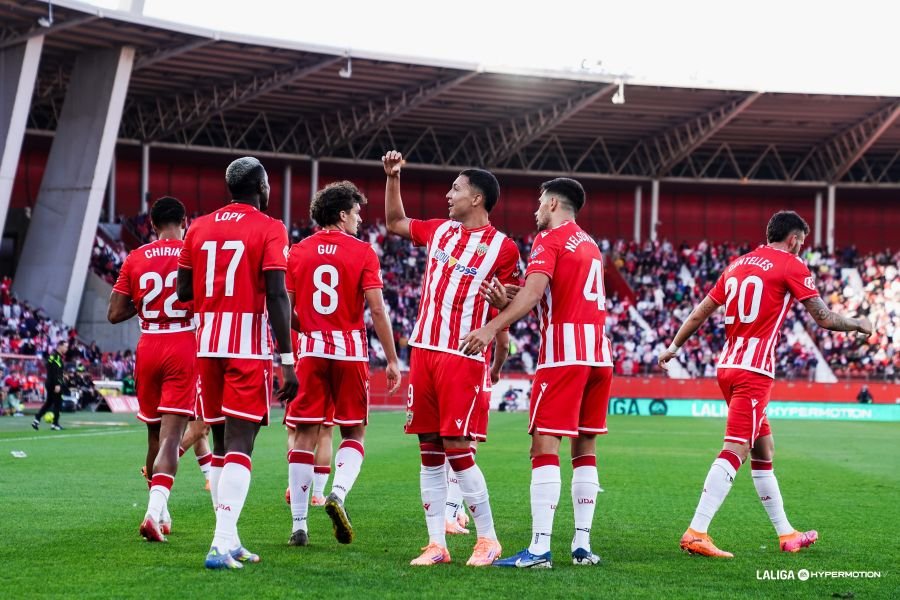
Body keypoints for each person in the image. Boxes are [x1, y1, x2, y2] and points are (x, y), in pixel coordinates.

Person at [657, 210, 873, 558]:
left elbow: (700, 312)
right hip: (753, 370)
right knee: (736, 449)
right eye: (801, 242)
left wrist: (673, 347)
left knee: (763, 449)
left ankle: (786, 534)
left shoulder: (737, 265)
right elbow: (823, 317)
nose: (801, 248)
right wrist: (858, 323)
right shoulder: (791, 264)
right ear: (793, 239)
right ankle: (696, 531)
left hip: (728, 365)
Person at [461, 177, 610, 568]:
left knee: (544, 447)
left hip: (563, 355)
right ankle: (581, 545)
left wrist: (490, 328)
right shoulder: (590, 244)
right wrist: (506, 297)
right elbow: (547, 291)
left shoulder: (549, 239)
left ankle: (540, 548)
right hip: (599, 354)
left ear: (554, 205)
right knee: (585, 448)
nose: (535, 209)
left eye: (541, 202)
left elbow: (533, 294)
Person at [382, 150, 520, 567]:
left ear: (476, 198)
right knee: (428, 448)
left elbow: (514, 303)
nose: (448, 195)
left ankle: (488, 539)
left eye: (455, 189)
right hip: (424, 351)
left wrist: (497, 320)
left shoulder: (503, 248)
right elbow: (394, 222)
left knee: (458, 448)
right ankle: (436, 544)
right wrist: (393, 177)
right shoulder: (439, 230)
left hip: (462, 355)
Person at [176, 156, 298, 570]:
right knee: (241, 445)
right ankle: (219, 543)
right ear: (262, 188)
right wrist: (287, 360)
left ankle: (230, 539)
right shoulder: (270, 227)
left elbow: (183, 290)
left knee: (222, 446)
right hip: (246, 347)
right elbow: (277, 294)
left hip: (207, 345)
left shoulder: (198, 226)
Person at [284, 180, 401, 547]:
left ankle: (299, 525)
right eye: (356, 212)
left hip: (311, 352)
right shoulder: (363, 252)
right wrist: (393, 359)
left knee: (304, 435)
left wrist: (309, 329)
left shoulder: (298, 251)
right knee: (353, 432)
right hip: (349, 352)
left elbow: (285, 310)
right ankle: (337, 493)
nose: (360, 219)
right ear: (341, 214)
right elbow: (377, 310)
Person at [108, 196, 197, 542]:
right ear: (184, 221)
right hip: (182, 342)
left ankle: (161, 511)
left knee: (153, 435)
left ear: (151, 225)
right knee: (172, 437)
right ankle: (151, 513)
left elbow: (114, 313)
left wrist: (145, 302)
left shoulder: (136, 256)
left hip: (148, 345)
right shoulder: (193, 253)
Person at [445, 328, 509, 535]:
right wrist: (496, 370)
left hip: (444, 369)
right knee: (466, 447)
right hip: (475, 374)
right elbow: (504, 345)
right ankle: (449, 514)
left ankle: (454, 510)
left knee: (447, 445)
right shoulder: (493, 309)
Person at [32, 340, 67, 431]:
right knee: (58, 403)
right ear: (60, 346)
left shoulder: (52, 356)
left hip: (49, 382)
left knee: (49, 402)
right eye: (65, 347)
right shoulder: (56, 357)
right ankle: (55, 424)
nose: (66, 349)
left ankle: (37, 419)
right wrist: (57, 384)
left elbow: (51, 369)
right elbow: (55, 372)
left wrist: (63, 375)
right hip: (54, 383)